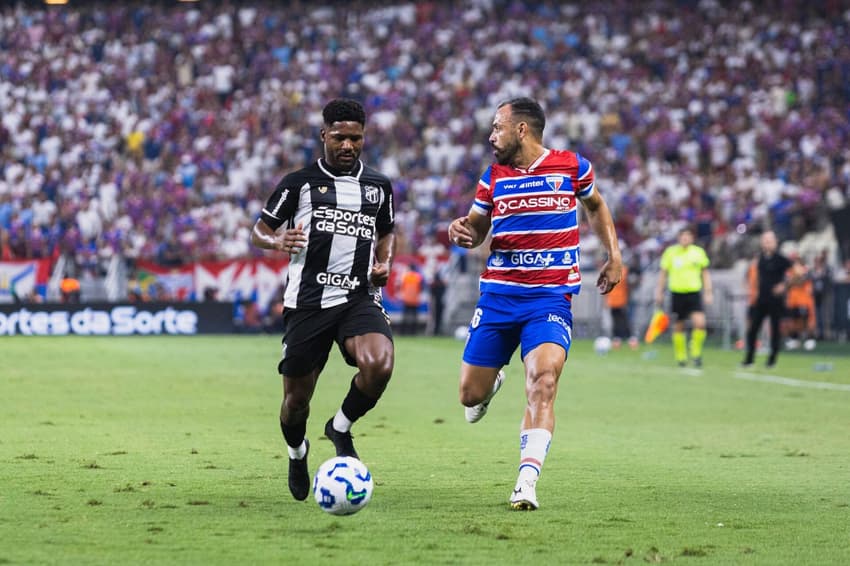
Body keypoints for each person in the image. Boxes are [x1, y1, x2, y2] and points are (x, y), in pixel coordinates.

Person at [447, 97, 622, 511]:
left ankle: (526, 481)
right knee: (470, 397)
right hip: (499, 297)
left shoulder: (572, 166)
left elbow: (596, 206)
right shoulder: (493, 177)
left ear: (521, 129)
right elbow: (476, 227)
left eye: (497, 128)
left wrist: (614, 256)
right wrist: (463, 230)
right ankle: (491, 386)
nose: (491, 137)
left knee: (544, 383)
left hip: (549, 296)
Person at [250, 98, 396, 502]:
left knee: (380, 364)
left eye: (356, 138)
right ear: (323, 136)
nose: (348, 146)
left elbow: (387, 232)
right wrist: (277, 240)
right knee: (295, 403)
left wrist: (385, 261)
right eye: (339, 138)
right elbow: (259, 230)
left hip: (358, 296)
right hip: (308, 301)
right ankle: (298, 454)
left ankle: (341, 427)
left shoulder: (378, 186)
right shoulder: (298, 183)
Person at [654, 227, 713, 367]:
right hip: (677, 293)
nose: (685, 239)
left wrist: (708, 291)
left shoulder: (698, 253)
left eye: (688, 236)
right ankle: (681, 356)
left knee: (700, 323)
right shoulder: (671, 253)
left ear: (692, 238)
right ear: (679, 238)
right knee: (678, 326)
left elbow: (705, 273)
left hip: (693, 292)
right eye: (683, 236)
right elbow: (663, 274)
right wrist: (659, 291)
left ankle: (696, 352)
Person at [741, 230, 792, 369]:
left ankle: (772, 360)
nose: (767, 243)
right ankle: (749, 359)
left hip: (775, 301)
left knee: (775, 331)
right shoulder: (760, 259)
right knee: (752, 330)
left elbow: (798, 272)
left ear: (775, 242)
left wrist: (784, 285)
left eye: (769, 240)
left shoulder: (782, 259)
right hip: (761, 300)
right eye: (765, 240)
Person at [397, 262, 423, 335]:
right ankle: (413, 332)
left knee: (405, 317)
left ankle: (403, 332)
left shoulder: (406, 277)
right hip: (415, 299)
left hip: (407, 299)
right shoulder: (418, 277)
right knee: (414, 317)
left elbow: (402, 287)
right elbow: (421, 288)